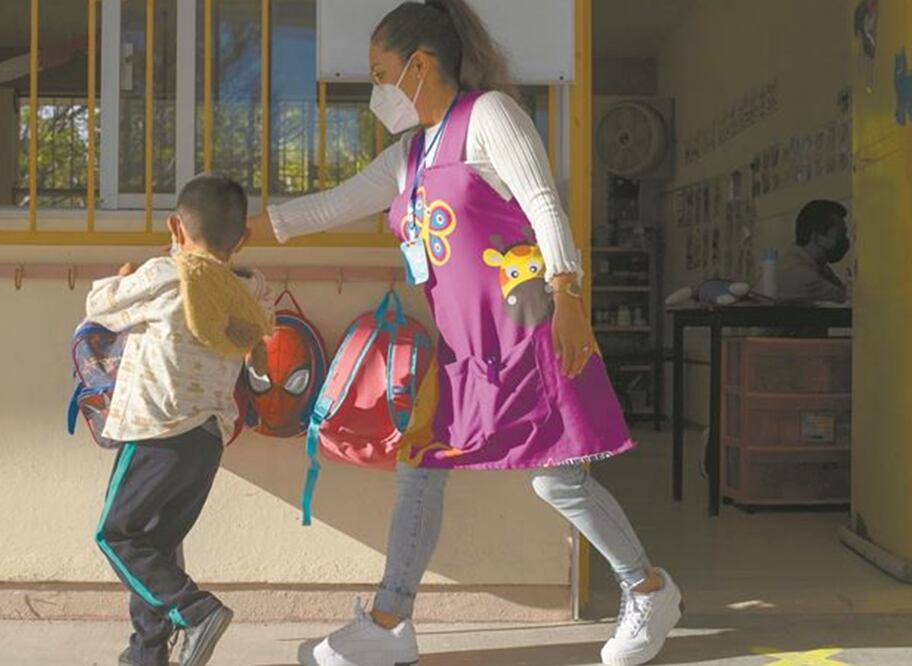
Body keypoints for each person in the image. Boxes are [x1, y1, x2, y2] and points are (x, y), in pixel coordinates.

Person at [248, 2, 681, 665]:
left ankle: (648, 590)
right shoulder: (408, 156)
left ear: (418, 66)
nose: (375, 89)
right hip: (463, 350)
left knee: (558, 482)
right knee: (419, 466)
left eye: (380, 73)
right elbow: (328, 207)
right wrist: (223, 234)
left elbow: (543, 202)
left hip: (528, 331)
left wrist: (568, 295)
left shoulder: (490, 117)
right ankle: (389, 623)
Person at [86, 174, 274, 666]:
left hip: (155, 432)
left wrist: (119, 278)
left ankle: (196, 611)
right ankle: (146, 653)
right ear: (242, 238)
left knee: (116, 535)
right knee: (157, 547)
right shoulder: (249, 291)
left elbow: (99, 308)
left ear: (174, 227)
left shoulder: (163, 275)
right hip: (207, 439)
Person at [778, 200, 851, 304]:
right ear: (817, 237)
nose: (845, 241)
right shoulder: (800, 273)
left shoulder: (818, 267)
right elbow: (850, 300)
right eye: (841, 235)